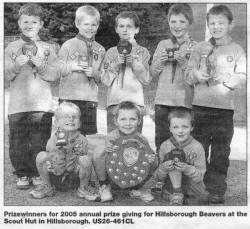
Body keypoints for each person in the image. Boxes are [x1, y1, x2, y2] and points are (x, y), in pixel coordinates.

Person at [185, 5, 246, 204]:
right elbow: (188, 75)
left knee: (221, 152)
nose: (216, 27)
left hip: (224, 111)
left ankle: (217, 190)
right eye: (212, 23)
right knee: (198, 150)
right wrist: (196, 74)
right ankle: (196, 189)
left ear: (231, 25)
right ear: (208, 25)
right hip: (200, 108)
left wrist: (227, 78)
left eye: (221, 23)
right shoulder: (199, 47)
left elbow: (243, 77)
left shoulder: (237, 50)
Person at [4, 3, 59, 189]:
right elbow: (5, 75)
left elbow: (54, 75)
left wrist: (41, 65)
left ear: (41, 24)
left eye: (34, 22)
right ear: (19, 23)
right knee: (18, 142)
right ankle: (22, 174)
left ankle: (37, 172)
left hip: (41, 105)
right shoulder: (11, 47)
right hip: (18, 105)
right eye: (25, 21)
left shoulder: (48, 48)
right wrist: (16, 65)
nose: (29, 25)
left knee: (39, 141)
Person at [150, 3, 197, 154]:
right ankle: (162, 171)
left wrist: (184, 63)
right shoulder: (162, 44)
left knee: (182, 140)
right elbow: (152, 73)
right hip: (162, 101)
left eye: (182, 22)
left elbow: (195, 78)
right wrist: (160, 61)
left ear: (189, 23)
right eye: (173, 21)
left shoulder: (196, 46)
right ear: (168, 22)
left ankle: (182, 171)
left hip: (184, 102)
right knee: (161, 139)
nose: (177, 26)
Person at [29, 102, 100, 201]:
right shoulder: (54, 138)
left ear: (79, 123)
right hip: (55, 175)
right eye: (66, 116)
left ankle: (83, 188)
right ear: (56, 122)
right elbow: (51, 154)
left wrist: (70, 153)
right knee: (41, 156)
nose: (70, 119)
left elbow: (79, 157)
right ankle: (47, 186)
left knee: (85, 159)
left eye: (74, 117)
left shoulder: (82, 139)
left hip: (74, 177)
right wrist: (57, 156)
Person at [93, 101, 157, 202]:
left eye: (132, 119)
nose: (128, 123)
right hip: (114, 177)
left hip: (135, 177)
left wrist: (151, 158)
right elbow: (109, 158)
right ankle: (104, 186)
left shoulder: (142, 139)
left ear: (139, 121)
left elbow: (151, 160)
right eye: (123, 119)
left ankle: (139, 189)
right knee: (100, 150)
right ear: (116, 121)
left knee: (154, 158)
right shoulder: (112, 136)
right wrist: (107, 148)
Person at [58, 5, 105, 136]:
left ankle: (85, 157)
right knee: (66, 135)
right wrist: (72, 66)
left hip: (89, 100)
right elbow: (58, 69)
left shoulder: (100, 49)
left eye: (93, 25)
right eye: (86, 24)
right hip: (68, 98)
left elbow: (103, 77)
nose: (90, 28)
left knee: (88, 137)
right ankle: (64, 157)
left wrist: (95, 73)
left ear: (97, 26)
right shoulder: (68, 45)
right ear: (77, 24)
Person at [101, 11, 151, 133]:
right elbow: (105, 81)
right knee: (113, 141)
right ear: (116, 29)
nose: (125, 30)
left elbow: (146, 80)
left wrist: (134, 64)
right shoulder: (111, 52)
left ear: (137, 29)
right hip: (114, 103)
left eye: (129, 26)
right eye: (121, 26)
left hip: (135, 103)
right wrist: (115, 64)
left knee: (135, 142)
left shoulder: (143, 52)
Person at [153, 107, 207, 205]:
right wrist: (163, 168)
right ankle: (176, 194)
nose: (180, 131)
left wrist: (188, 169)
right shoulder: (165, 145)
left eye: (185, 127)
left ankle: (176, 196)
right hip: (171, 183)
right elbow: (158, 176)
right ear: (170, 128)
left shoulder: (197, 147)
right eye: (175, 127)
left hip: (191, 184)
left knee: (204, 198)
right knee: (172, 159)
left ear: (192, 128)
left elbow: (200, 177)